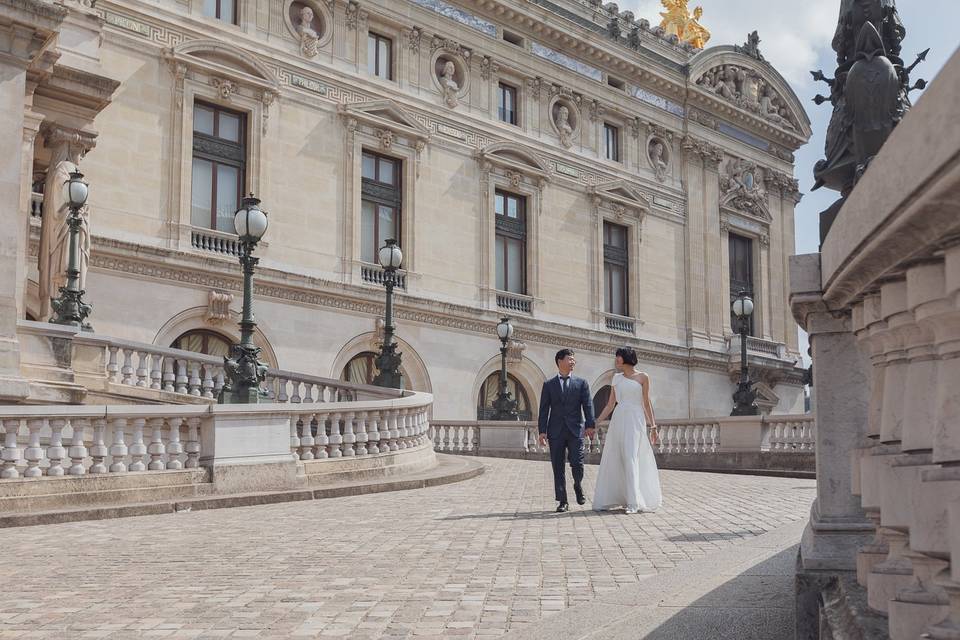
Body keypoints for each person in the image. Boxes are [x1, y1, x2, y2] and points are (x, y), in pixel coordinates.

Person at [592, 347, 662, 514]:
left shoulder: (643, 377)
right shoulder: (616, 378)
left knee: (631, 455)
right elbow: (610, 404)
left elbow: (646, 403)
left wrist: (653, 426)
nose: (616, 359)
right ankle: (619, 498)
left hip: (635, 419)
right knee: (617, 456)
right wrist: (596, 422)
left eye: (619, 356)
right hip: (619, 418)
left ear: (627, 358)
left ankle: (633, 502)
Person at [538, 348, 596, 513]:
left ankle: (578, 485)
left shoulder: (581, 383)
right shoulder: (549, 385)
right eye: (570, 359)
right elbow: (543, 409)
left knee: (577, 463)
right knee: (558, 467)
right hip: (555, 431)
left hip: (576, 430)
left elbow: (588, 405)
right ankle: (562, 501)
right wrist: (542, 431)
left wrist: (590, 425)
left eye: (573, 360)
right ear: (560, 361)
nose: (573, 362)